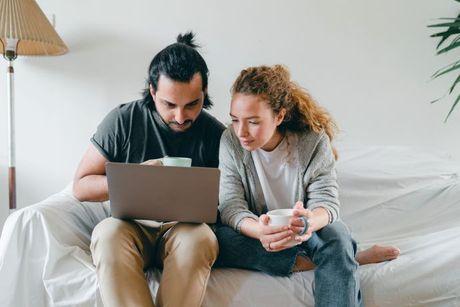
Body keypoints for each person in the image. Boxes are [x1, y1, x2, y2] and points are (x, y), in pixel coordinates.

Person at [215, 65, 400, 306]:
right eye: (235, 120)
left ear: (279, 116)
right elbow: (230, 205)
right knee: (219, 239)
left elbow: (327, 203)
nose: (241, 131)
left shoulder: (312, 140)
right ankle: (351, 259)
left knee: (337, 237)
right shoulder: (231, 141)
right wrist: (259, 230)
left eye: (253, 122)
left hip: (306, 225)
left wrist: (308, 222)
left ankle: (339, 256)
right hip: (260, 230)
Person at [72, 32, 225, 307]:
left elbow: (231, 198)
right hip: (131, 227)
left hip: (184, 229)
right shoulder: (123, 121)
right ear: (153, 91)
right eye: (169, 104)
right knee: (106, 233)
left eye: (192, 104)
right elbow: (80, 186)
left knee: (201, 238)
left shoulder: (214, 134)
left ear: (204, 94)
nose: (181, 117)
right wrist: (136, 179)